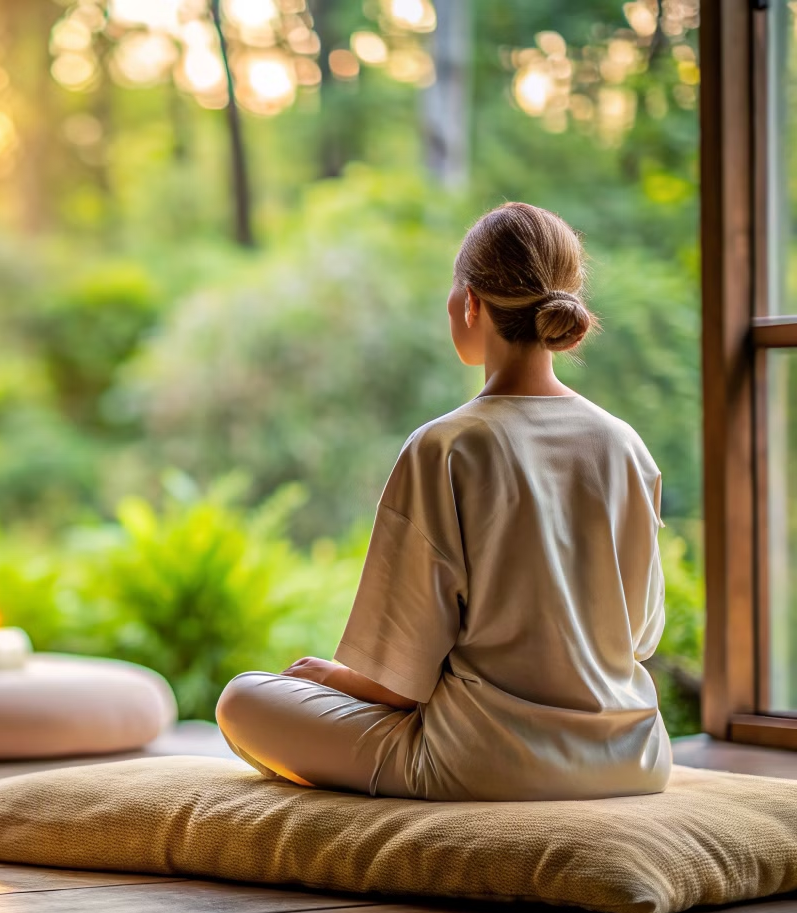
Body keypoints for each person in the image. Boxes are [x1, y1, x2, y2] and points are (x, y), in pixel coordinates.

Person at [216, 202, 671, 801]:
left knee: (243, 700)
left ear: (470, 303)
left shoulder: (446, 448)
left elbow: (402, 684)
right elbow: (640, 638)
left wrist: (330, 677)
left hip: (484, 762)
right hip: (633, 758)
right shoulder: (624, 444)